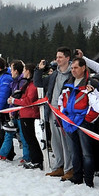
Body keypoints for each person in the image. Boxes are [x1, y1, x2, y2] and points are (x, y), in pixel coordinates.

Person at [58, 57, 98, 186]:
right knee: (74, 151)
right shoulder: (68, 82)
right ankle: (77, 176)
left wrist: (87, 119)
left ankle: (88, 179)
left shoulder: (92, 82)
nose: (73, 70)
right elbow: (61, 100)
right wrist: (63, 116)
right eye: (72, 68)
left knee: (86, 152)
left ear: (83, 68)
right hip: (69, 122)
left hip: (83, 122)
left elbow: (97, 104)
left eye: (75, 67)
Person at [34, 48, 73, 178]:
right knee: (55, 142)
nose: (57, 59)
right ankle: (59, 166)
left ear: (67, 58)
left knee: (66, 142)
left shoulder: (72, 74)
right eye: (57, 57)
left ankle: (70, 168)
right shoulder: (55, 74)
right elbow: (38, 83)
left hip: (65, 113)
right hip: (52, 111)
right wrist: (39, 70)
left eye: (60, 57)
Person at [7, 63, 44, 169]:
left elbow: (28, 100)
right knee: (28, 138)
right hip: (24, 113)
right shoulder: (27, 84)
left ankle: (37, 160)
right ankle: (35, 159)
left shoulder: (32, 85)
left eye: (24, 70)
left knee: (30, 138)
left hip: (29, 114)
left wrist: (15, 100)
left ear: (28, 71)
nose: (23, 72)